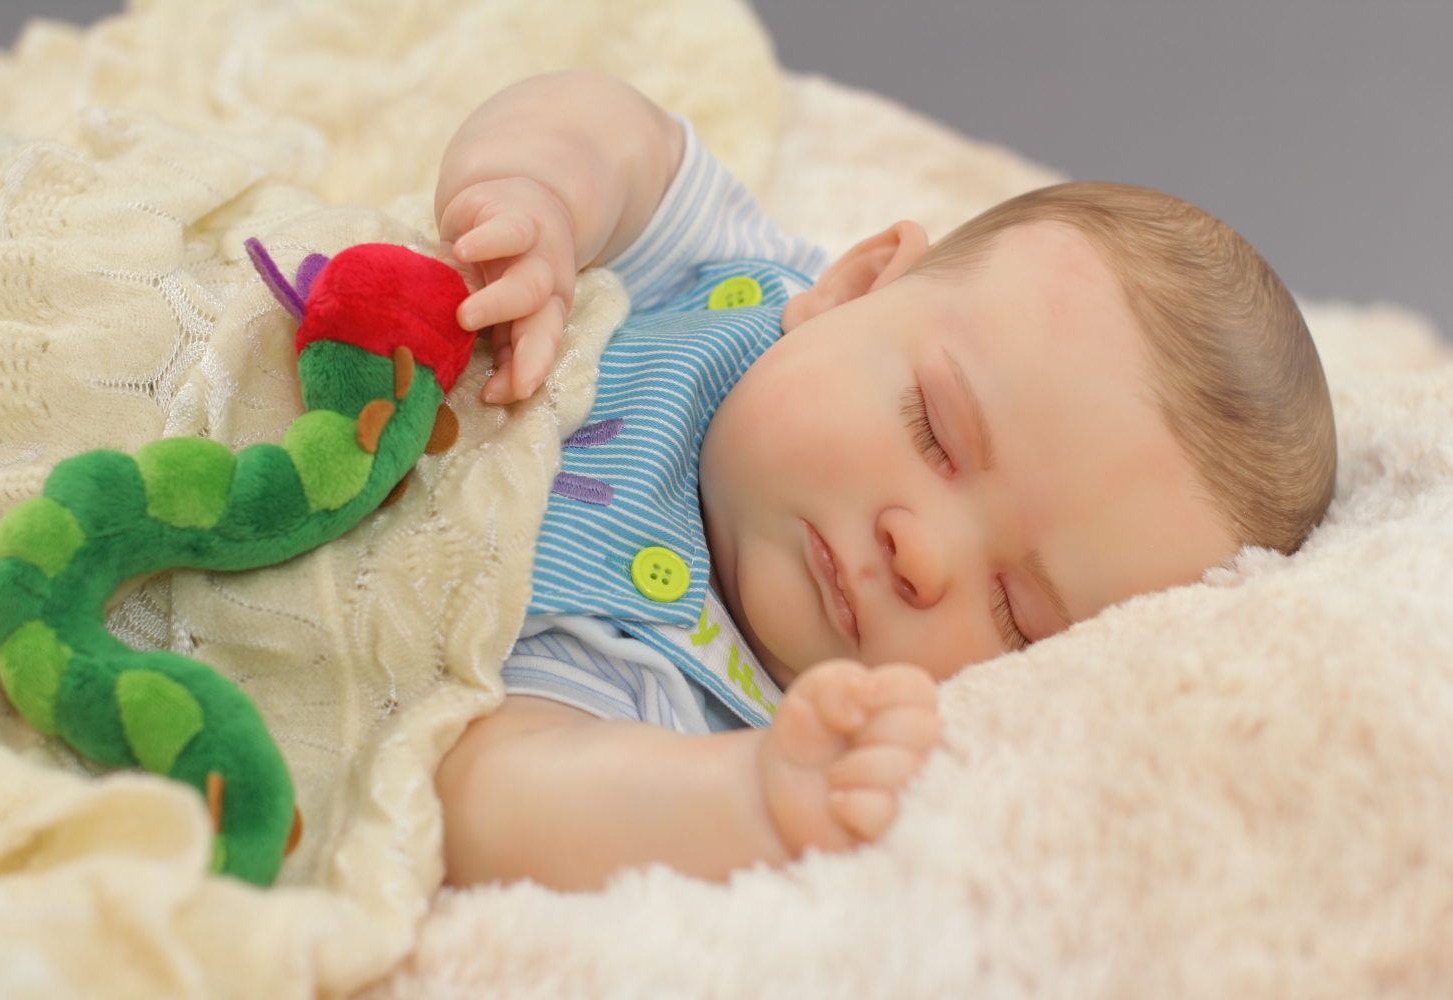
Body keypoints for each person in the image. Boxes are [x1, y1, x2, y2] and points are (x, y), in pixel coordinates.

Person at [430, 71, 1336, 891]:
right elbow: (615, 124)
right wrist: (540, 190)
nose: (921, 555)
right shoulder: (728, 280)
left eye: (1015, 613)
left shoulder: (694, 715)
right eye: (934, 430)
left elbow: (476, 797)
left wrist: (746, 800)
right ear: (855, 288)